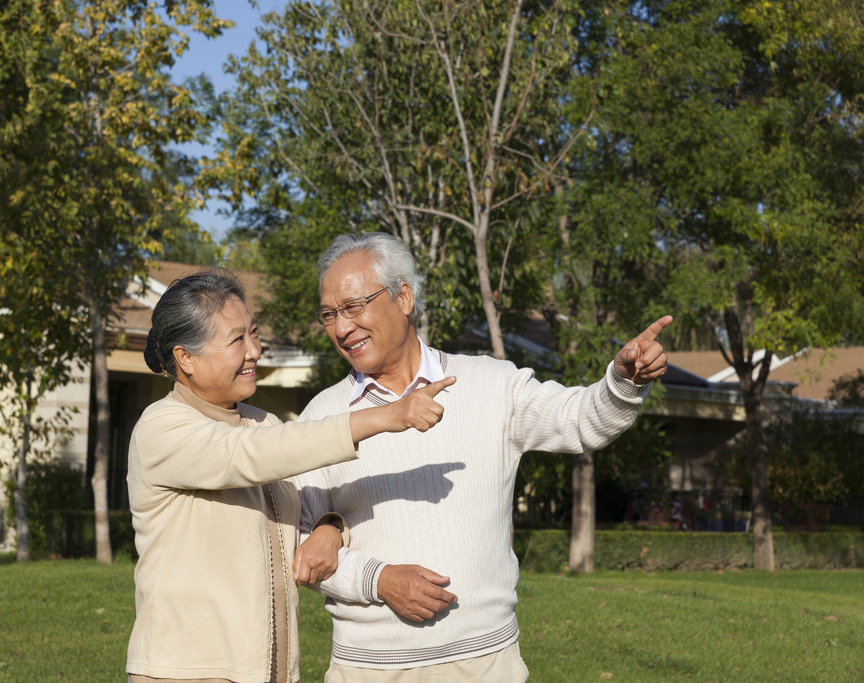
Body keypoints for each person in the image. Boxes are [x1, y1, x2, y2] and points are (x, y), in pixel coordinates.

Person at [294, 233, 671, 682]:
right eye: (329, 315)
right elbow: (299, 550)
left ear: (404, 297)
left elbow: (581, 421)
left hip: (485, 664)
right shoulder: (322, 417)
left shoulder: (492, 384)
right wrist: (378, 580)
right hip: (369, 669)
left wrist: (622, 382)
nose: (341, 328)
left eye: (354, 306)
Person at [125, 269, 455, 683]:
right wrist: (386, 415)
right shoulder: (162, 429)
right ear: (185, 358)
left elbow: (297, 512)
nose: (254, 351)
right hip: (188, 669)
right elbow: (249, 457)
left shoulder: (262, 423)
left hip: (268, 669)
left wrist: (331, 528)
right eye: (235, 340)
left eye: (254, 333)